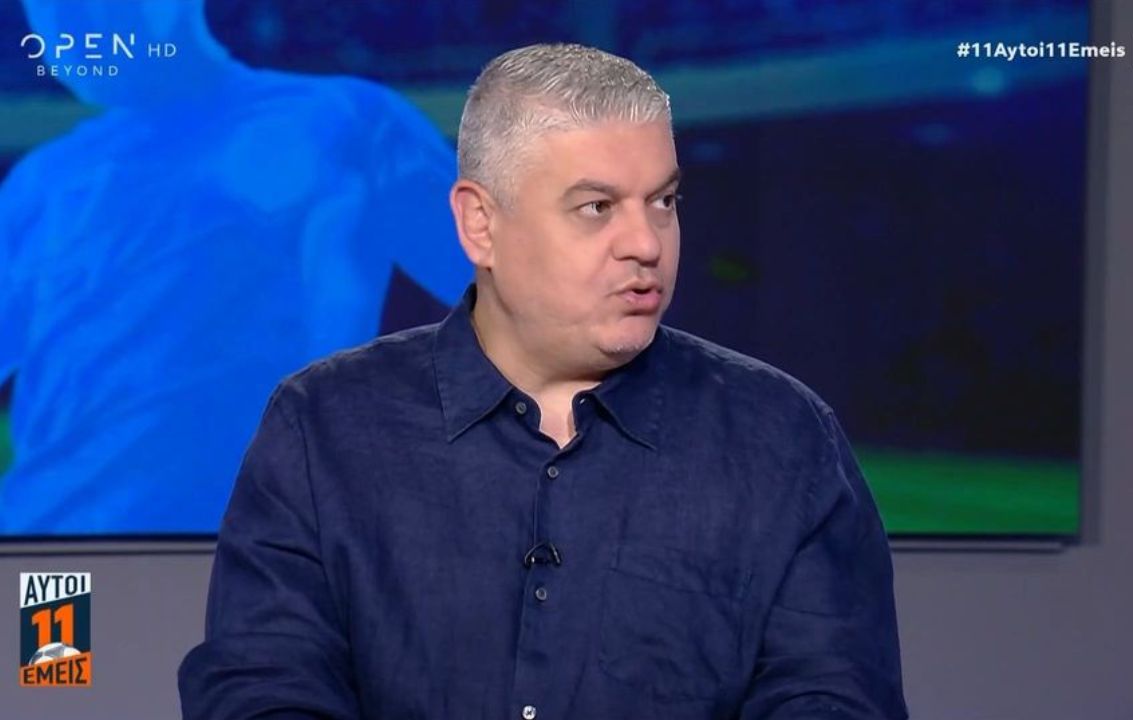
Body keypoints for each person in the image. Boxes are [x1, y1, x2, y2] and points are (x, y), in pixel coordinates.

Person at [179, 43, 907, 719]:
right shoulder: (322, 429)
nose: (646, 244)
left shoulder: (782, 438)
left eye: (664, 202)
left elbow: (833, 698)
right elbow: (263, 690)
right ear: (480, 224)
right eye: (597, 207)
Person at [0, 0, 470, 532]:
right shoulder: (39, 185)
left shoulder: (343, 124)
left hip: (251, 541)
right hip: (51, 546)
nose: (69, 26)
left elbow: (510, 301)